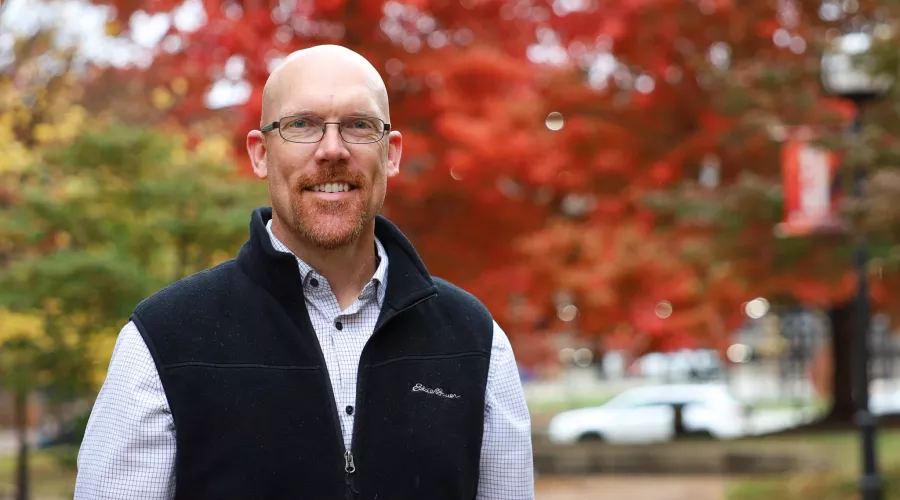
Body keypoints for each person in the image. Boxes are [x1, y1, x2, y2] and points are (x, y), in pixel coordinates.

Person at [74, 44, 534, 500]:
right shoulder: (163, 341)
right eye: (301, 125)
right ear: (260, 154)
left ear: (390, 154)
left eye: (358, 125)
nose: (332, 150)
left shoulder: (475, 342)